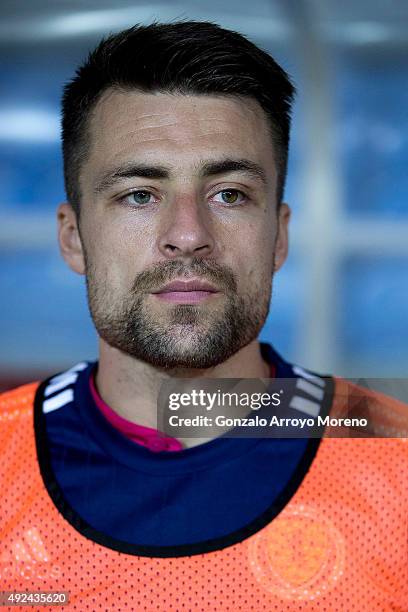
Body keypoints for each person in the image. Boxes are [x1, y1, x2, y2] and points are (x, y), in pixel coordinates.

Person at [1, 21, 407, 611]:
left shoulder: (395, 463)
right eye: (140, 194)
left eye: (230, 194)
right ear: (74, 239)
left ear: (278, 237)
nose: (188, 236)